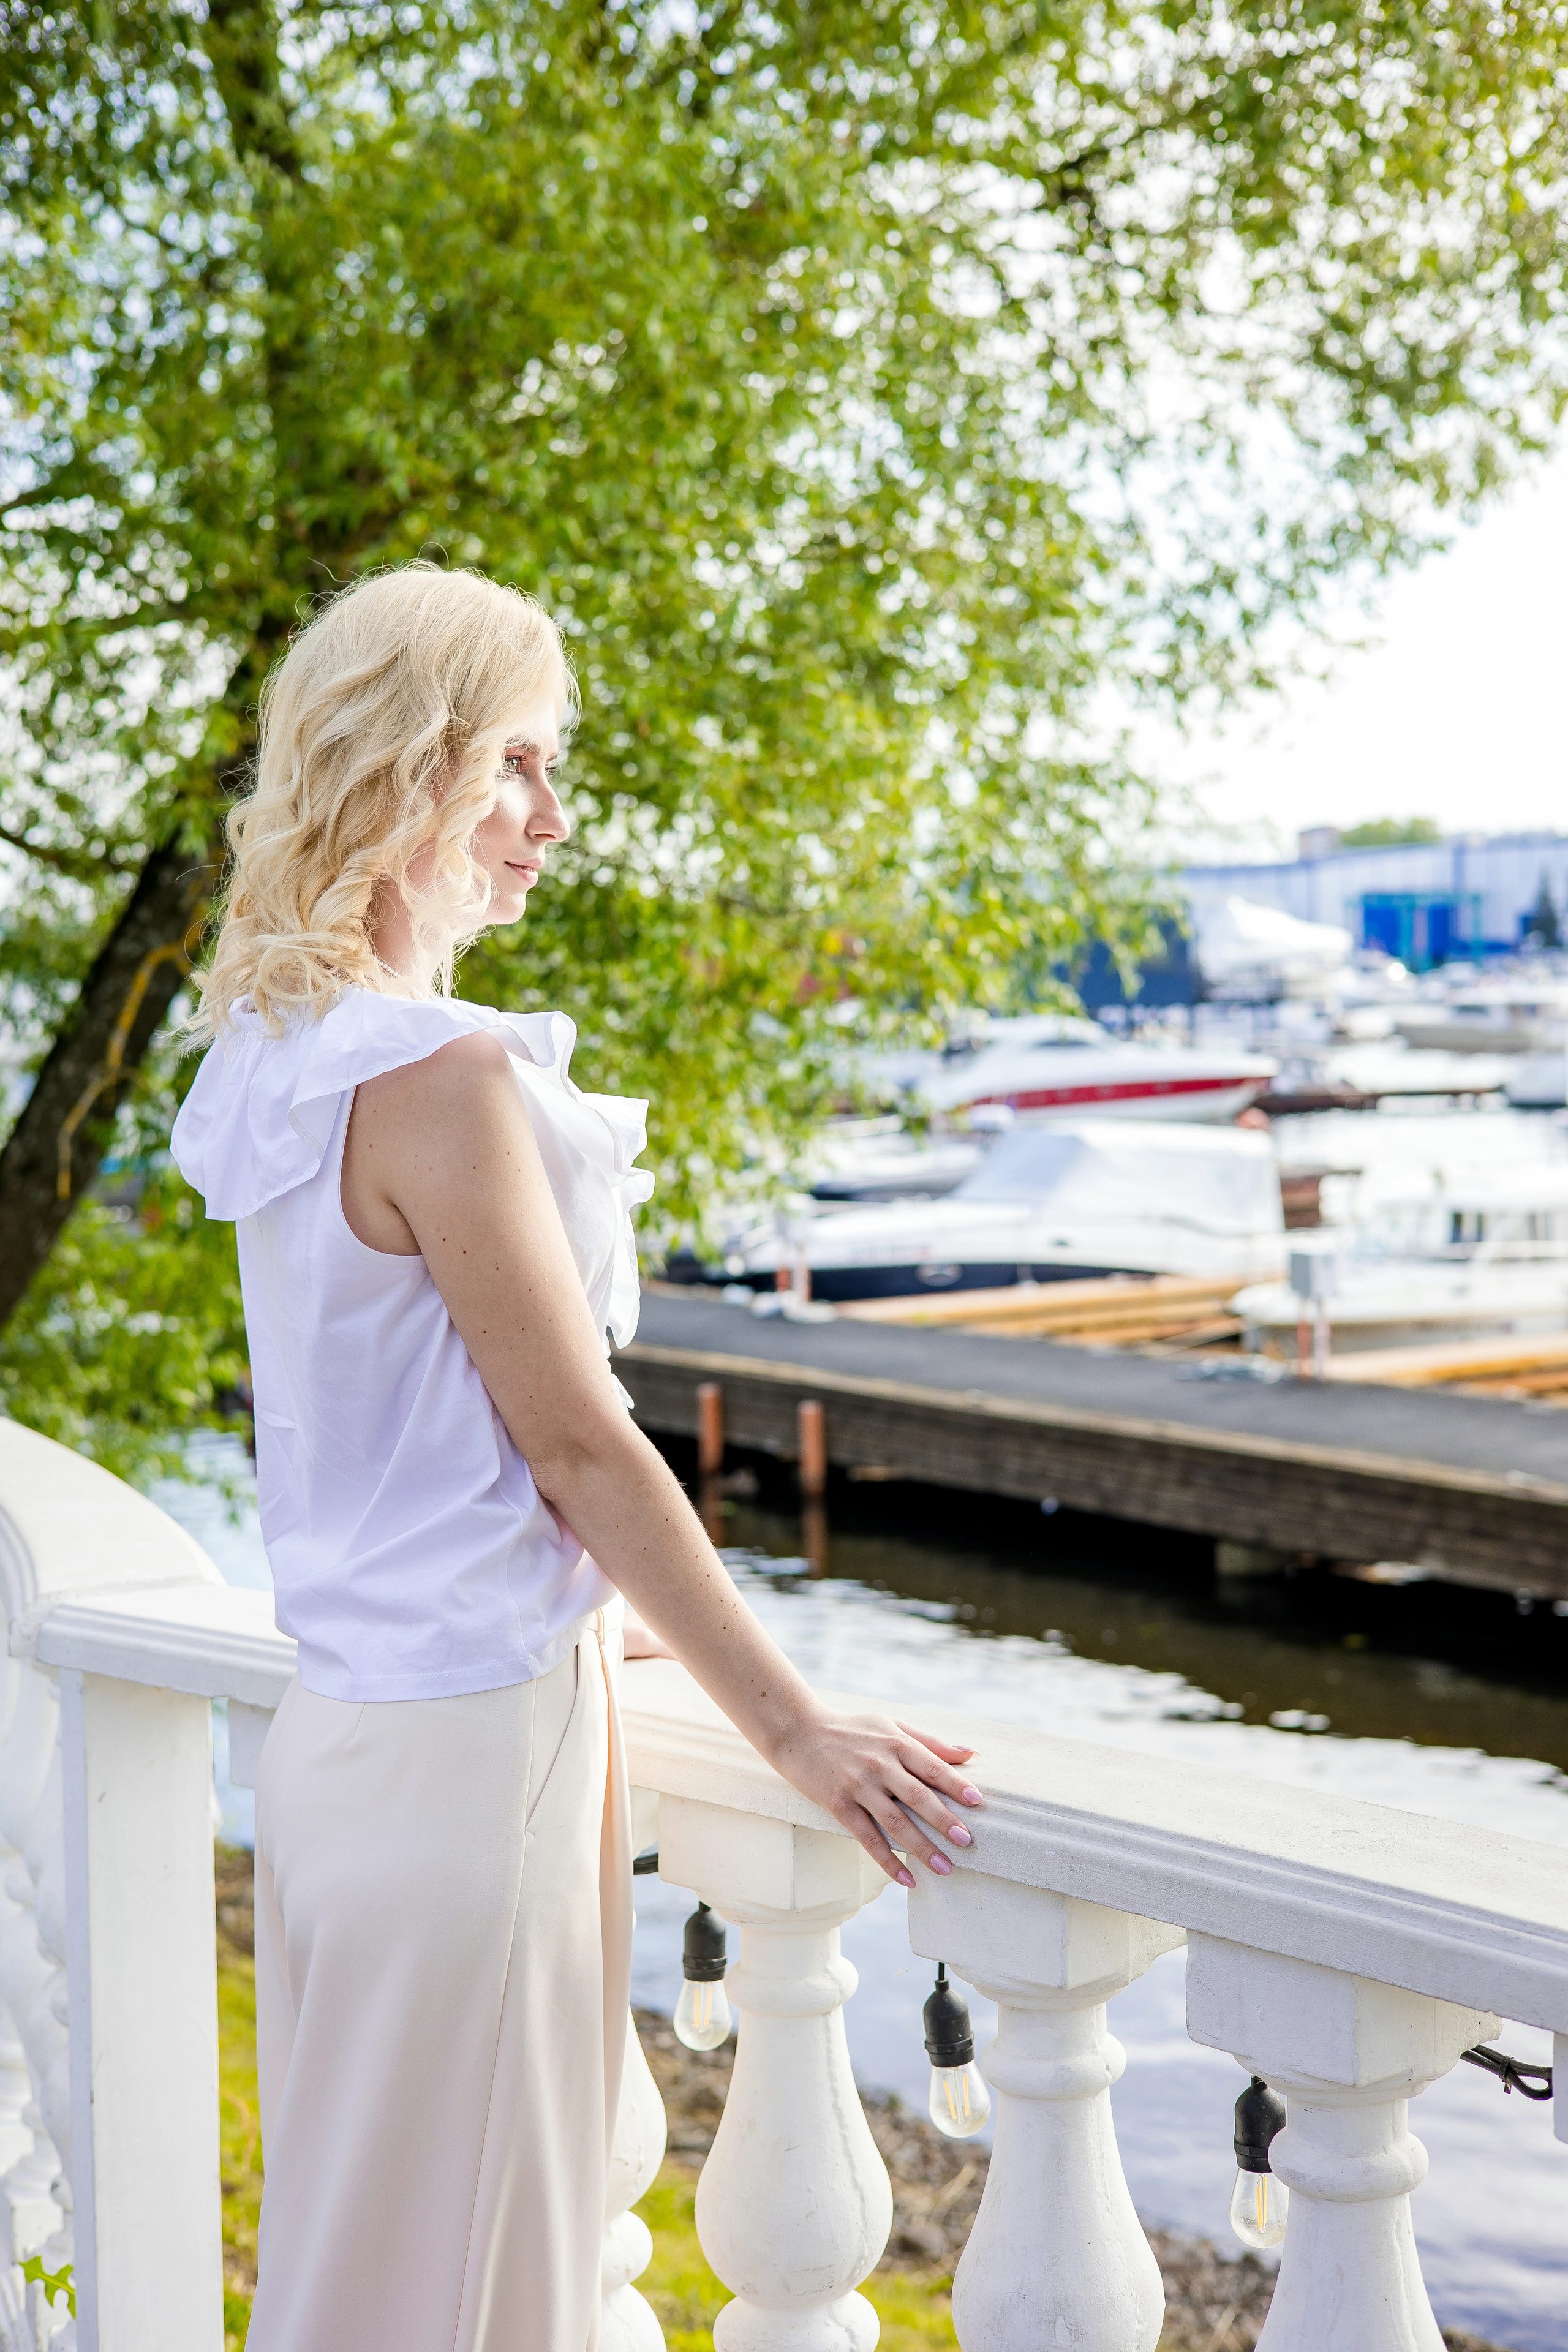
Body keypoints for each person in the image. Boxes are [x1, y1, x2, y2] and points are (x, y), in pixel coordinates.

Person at [172, 562, 983, 2352]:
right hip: (470, 1771)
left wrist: (594, 1620)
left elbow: (393, 1443)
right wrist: (798, 1723)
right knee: (472, 2300)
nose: (553, 815)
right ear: (414, 777)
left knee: (363, 2285)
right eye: (522, 767)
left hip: (339, 1753)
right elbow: (581, 1452)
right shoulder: (439, 1079)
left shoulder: (279, 1058)